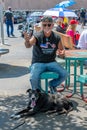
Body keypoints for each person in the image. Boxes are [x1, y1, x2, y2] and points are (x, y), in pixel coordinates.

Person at [24, 16, 68, 94]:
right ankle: (37, 94)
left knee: (64, 74)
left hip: (51, 62)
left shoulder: (57, 37)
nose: (47, 27)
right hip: (38, 62)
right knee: (33, 78)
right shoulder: (37, 36)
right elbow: (28, 45)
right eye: (44, 25)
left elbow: (61, 50)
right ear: (41, 25)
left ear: (52, 25)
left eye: (49, 25)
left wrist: (62, 53)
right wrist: (27, 41)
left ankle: (52, 85)